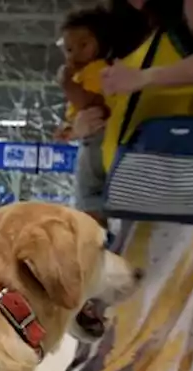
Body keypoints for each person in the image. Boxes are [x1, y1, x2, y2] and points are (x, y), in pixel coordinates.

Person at [14, 0, 193, 371]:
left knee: (121, 294)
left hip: (176, 177)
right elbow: (120, 100)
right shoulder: (131, 21)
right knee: (167, 292)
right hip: (133, 178)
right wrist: (84, 122)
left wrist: (141, 78)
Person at [55, 5, 114, 230]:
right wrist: (70, 129)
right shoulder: (85, 72)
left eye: (83, 45)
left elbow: (93, 107)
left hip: (98, 141)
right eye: (69, 49)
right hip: (91, 138)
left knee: (89, 195)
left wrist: (67, 84)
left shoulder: (99, 69)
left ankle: (93, 231)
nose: (75, 54)